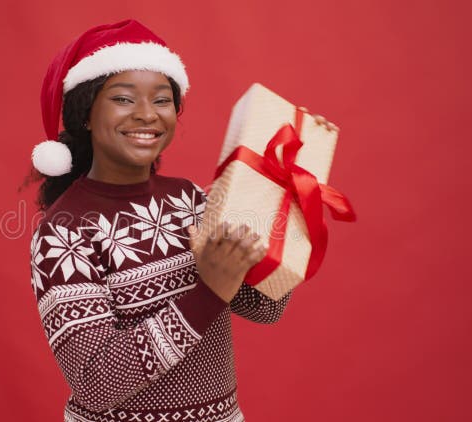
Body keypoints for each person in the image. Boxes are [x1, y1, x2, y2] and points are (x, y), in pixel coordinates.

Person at [27, 19, 293, 422]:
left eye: (162, 100)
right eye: (124, 99)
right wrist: (209, 292)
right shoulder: (63, 232)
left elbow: (264, 307)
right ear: (85, 114)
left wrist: (285, 199)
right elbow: (96, 384)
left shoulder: (190, 198)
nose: (147, 115)